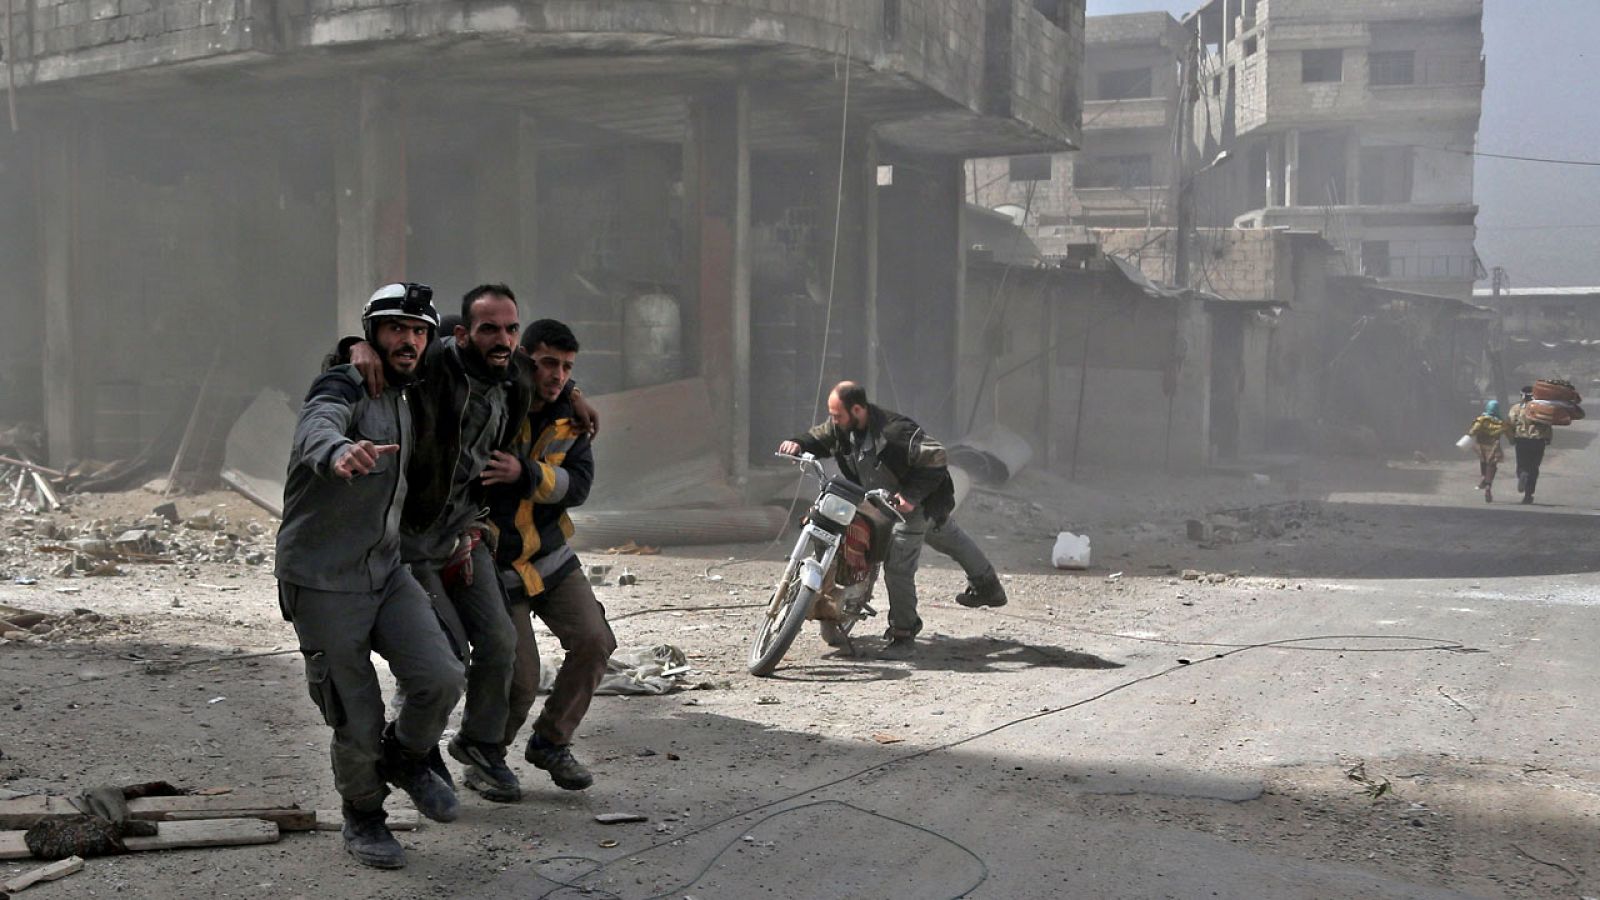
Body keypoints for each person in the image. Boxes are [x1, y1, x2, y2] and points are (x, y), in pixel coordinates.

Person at [275, 283, 464, 869]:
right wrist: (336, 451)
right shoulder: (348, 381)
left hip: (386, 569)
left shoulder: (413, 392)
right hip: (323, 580)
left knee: (441, 676)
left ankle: (406, 757)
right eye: (394, 328)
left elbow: (492, 361)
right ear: (372, 334)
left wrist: (574, 391)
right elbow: (318, 420)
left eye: (418, 330)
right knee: (355, 712)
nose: (407, 339)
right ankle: (364, 813)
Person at [778, 381, 1007, 660]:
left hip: (918, 502)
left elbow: (937, 457)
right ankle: (989, 586)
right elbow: (820, 436)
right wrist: (798, 443)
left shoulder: (895, 432)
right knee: (944, 534)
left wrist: (910, 496)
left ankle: (903, 635)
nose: (833, 421)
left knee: (899, 563)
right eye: (833, 415)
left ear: (858, 409)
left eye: (838, 415)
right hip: (879, 499)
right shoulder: (842, 427)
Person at [485, 319, 615, 791]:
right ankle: (486, 755)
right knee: (520, 678)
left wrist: (525, 473)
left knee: (594, 641)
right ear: (524, 359)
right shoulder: (495, 400)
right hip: (497, 565)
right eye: (548, 364)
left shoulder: (572, 419)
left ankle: (550, 742)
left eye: (567, 368)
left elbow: (577, 487)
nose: (558, 376)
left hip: (551, 557)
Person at [1508, 386, 1554, 504]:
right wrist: (1548, 438)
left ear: (1521, 395)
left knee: (1522, 464)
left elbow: (1511, 423)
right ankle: (1528, 495)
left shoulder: (1516, 408)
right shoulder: (1542, 409)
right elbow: (1548, 423)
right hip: (1538, 441)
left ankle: (1522, 474)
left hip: (1522, 440)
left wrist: (1511, 438)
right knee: (1534, 467)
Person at [1467, 399, 1506, 503]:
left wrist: (1470, 434)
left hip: (1482, 446)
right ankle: (1488, 485)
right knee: (1492, 466)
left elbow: (1473, 431)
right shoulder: (1501, 422)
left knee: (1483, 462)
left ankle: (1484, 477)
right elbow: (1508, 433)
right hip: (1494, 446)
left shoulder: (1482, 420)